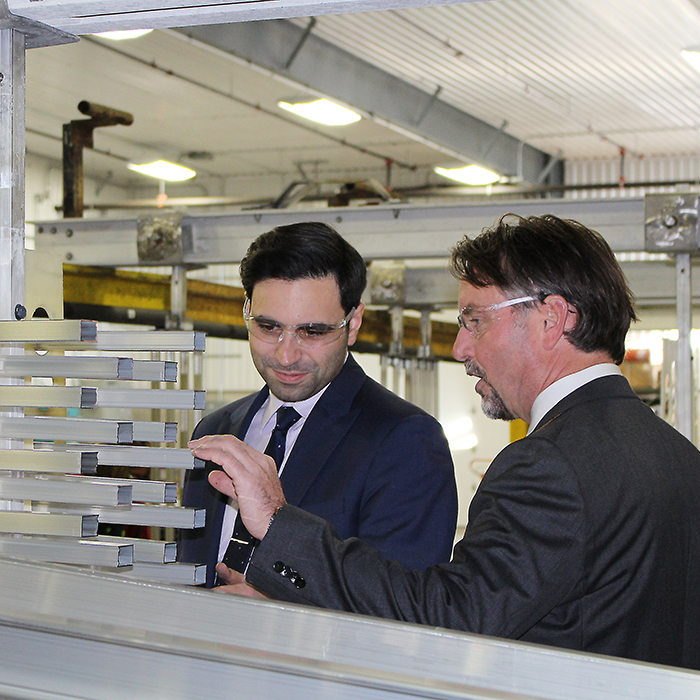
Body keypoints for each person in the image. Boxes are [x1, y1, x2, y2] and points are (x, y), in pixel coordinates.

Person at [190, 213, 700, 670]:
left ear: (552, 318)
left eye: (475, 320)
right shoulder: (680, 457)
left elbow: (443, 619)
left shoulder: (548, 464)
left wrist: (279, 526)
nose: (460, 347)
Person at [180, 221, 458, 586]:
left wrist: (281, 616)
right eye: (268, 327)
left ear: (353, 323)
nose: (286, 354)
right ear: (246, 310)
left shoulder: (406, 441)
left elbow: (404, 608)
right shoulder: (216, 431)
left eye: (312, 332)